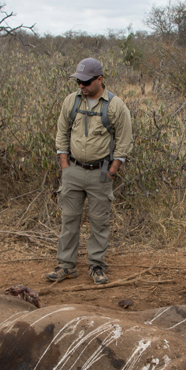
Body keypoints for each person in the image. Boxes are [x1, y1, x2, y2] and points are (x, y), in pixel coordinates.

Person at [46, 58, 133, 285]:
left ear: (100, 79)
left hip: (101, 173)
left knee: (99, 222)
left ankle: (96, 266)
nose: (81, 86)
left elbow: (124, 143)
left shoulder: (115, 106)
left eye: (85, 82)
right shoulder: (71, 101)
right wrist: (65, 166)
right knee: (69, 220)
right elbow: (61, 134)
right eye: (78, 82)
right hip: (73, 170)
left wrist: (112, 172)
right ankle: (66, 266)